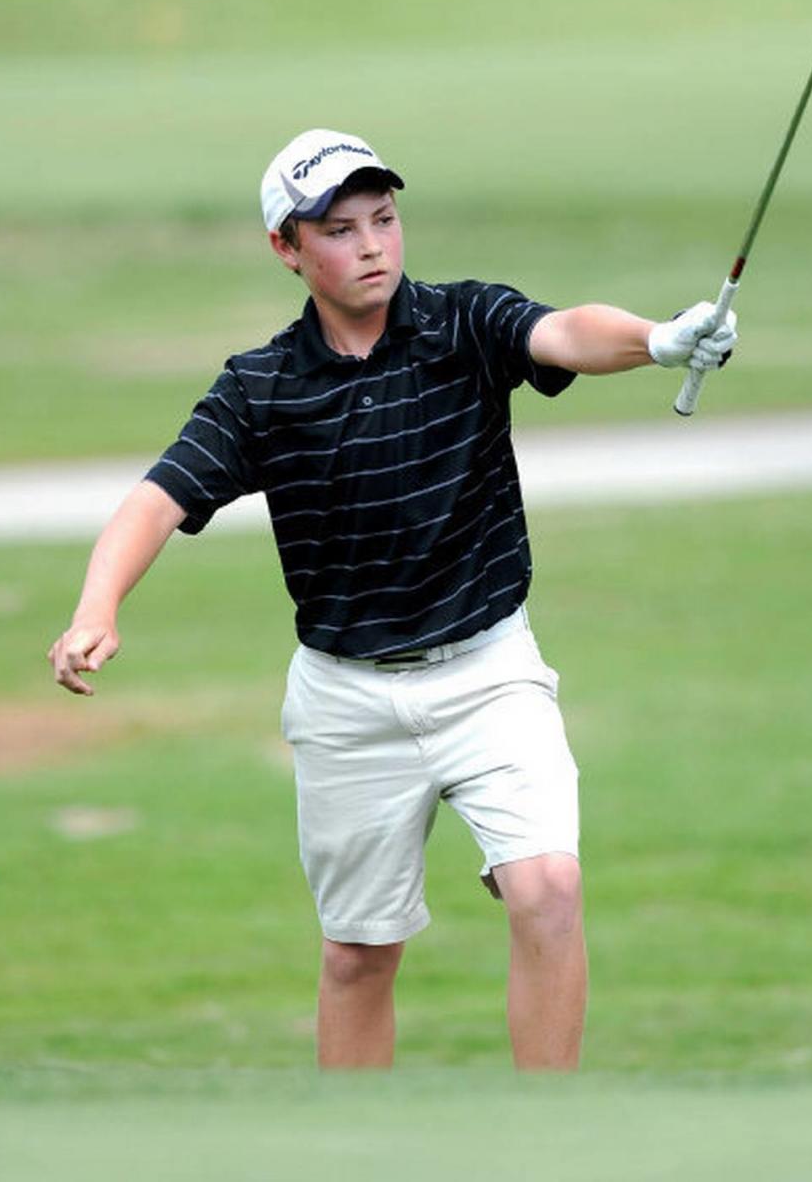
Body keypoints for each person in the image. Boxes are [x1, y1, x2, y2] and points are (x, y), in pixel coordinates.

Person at [48, 127, 736, 1071]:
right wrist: (98, 608)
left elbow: (564, 330)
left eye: (384, 219)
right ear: (288, 249)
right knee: (357, 957)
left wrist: (657, 339)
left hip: (489, 670)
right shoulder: (261, 388)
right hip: (346, 698)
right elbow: (157, 498)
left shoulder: (462, 323)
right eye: (339, 228)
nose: (372, 244)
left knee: (547, 887)